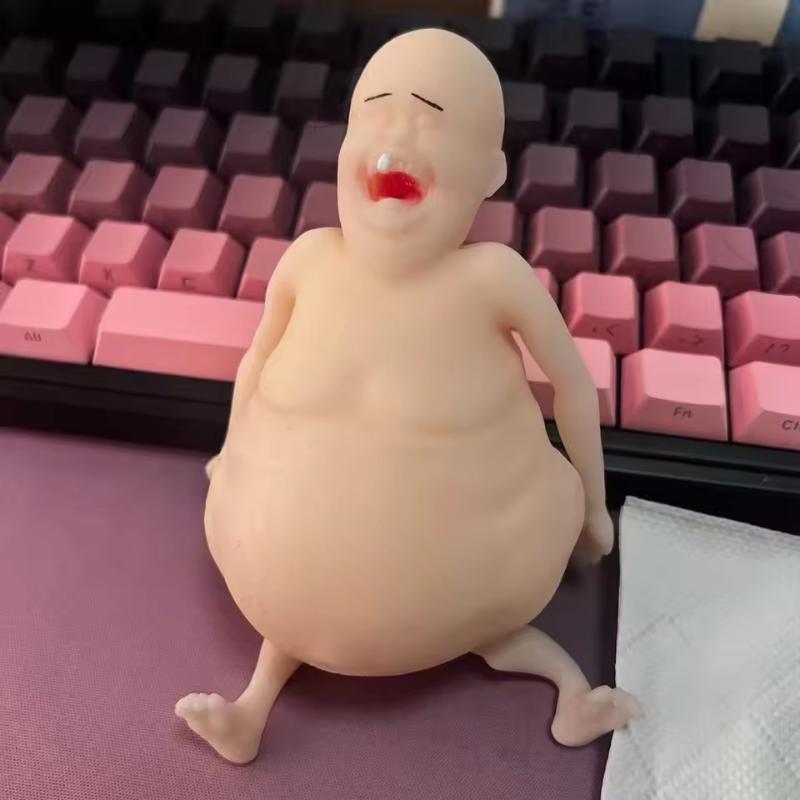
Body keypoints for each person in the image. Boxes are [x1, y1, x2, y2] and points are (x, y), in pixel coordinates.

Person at [176, 27, 640, 765]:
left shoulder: (493, 279)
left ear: (490, 174)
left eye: (431, 117)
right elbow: (254, 364)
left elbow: (573, 388)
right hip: (278, 591)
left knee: (502, 627)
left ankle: (572, 693)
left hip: (471, 594)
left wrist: (590, 505)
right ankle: (250, 710)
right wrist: (230, 452)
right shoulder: (309, 260)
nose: (396, 138)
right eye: (376, 113)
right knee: (286, 628)